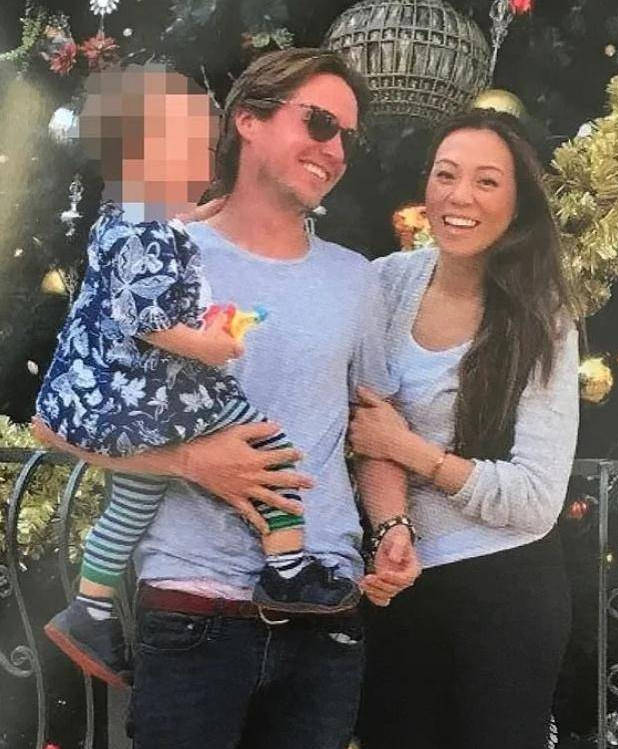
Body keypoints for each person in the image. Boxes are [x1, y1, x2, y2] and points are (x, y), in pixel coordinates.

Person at [33, 47, 420, 749]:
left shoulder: (355, 279)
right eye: (319, 123)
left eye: (346, 137)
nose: (335, 150)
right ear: (248, 119)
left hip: (324, 616)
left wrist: (394, 528)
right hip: (192, 611)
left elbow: (373, 429)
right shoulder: (157, 249)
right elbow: (59, 416)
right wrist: (190, 463)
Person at [38, 198, 365, 689]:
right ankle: (287, 571)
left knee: (132, 503)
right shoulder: (147, 229)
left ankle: (90, 609)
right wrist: (210, 345)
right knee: (270, 448)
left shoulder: (119, 220)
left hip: (118, 394)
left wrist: (187, 219)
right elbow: (145, 318)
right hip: (164, 390)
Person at [350, 108, 579, 749]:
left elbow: (536, 498)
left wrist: (411, 450)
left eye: (487, 181)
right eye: (446, 175)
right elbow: (365, 423)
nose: (460, 196)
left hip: (506, 591)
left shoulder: (543, 318)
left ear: (517, 203)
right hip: (397, 581)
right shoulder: (384, 282)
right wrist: (391, 528)